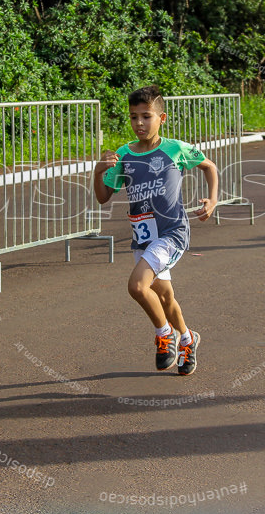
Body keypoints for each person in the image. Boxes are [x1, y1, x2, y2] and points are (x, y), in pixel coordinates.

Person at [93, 85, 218, 375]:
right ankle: (188, 338)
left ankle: (165, 335)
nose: (139, 123)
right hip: (143, 237)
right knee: (165, 298)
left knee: (137, 286)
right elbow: (102, 196)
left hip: (172, 233)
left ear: (161, 118)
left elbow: (209, 166)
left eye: (146, 116)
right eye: (134, 117)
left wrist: (212, 199)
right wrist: (98, 172)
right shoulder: (124, 154)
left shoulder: (175, 149)